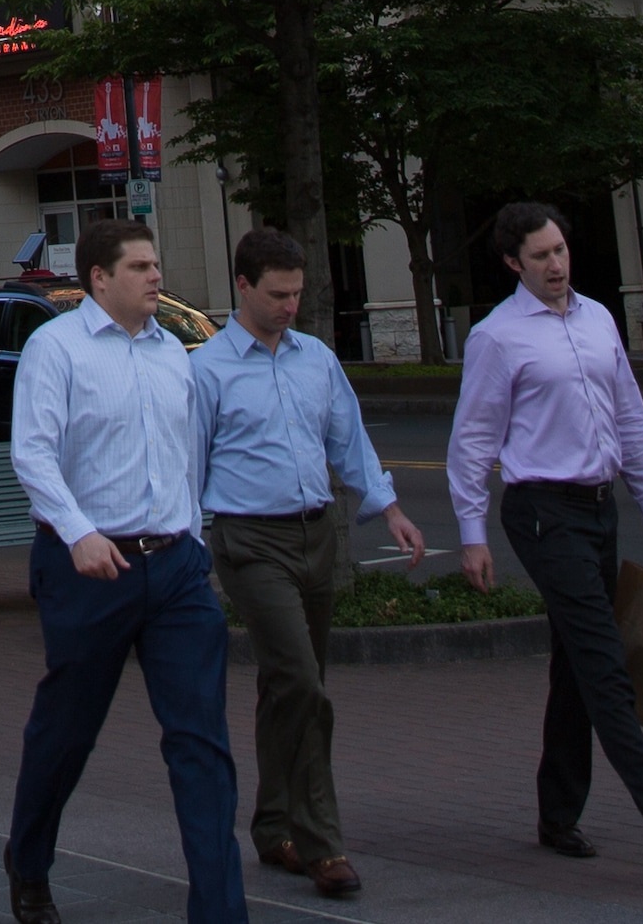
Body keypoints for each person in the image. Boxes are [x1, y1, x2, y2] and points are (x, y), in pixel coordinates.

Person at [449, 203, 643, 882]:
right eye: (541, 254)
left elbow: (629, 416)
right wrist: (471, 532)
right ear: (514, 262)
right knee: (606, 661)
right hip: (542, 511)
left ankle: (556, 812)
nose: (557, 262)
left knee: (577, 663)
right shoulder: (498, 336)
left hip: (598, 507)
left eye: (561, 249)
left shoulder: (599, 317)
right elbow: (472, 441)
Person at [0, 217, 242, 924]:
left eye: (156, 264)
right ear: (99, 278)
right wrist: (78, 532)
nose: (156, 277)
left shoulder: (173, 353)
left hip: (175, 571)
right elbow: (33, 454)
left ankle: (221, 912)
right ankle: (29, 856)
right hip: (87, 569)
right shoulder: (56, 349)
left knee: (201, 743)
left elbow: (185, 455)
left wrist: (193, 537)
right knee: (67, 731)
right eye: (140, 266)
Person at [193, 227, 425, 899]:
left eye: (297, 292)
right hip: (248, 539)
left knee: (292, 683)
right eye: (277, 293)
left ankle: (272, 825)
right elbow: (189, 462)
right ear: (243, 285)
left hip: (314, 532)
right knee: (303, 681)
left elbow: (347, 438)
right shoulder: (207, 369)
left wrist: (390, 508)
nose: (291, 304)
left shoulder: (316, 358)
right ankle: (323, 841)